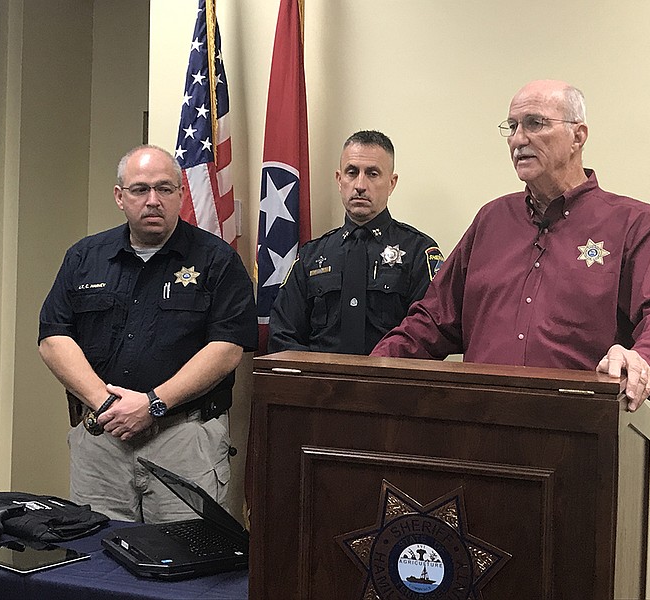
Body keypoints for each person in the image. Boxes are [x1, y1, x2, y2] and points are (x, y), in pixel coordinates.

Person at [372, 80, 650, 411]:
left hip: (579, 430)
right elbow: (433, 319)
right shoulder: (491, 220)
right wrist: (370, 369)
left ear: (578, 135)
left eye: (535, 123)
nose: (518, 139)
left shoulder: (635, 224)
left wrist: (643, 359)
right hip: (478, 425)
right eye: (512, 126)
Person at [38, 145, 257, 523]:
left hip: (184, 438)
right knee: (96, 561)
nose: (153, 200)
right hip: (101, 442)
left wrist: (154, 403)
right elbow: (53, 338)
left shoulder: (217, 260)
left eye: (165, 189)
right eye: (140, 189)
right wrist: (105, 405)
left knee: (189, 561)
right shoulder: (84, 258)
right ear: (119, 197)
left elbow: (226, 349)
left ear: (181, 194)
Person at [268, 130, 444, 355]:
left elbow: (431, 332)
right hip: (319, 385)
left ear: (392, 183)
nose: (360, 184)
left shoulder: (418, 252)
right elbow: (282, 333)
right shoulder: (312, 256)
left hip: (391, 385)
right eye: (352, 172)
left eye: (372, 174)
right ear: (339, 180)